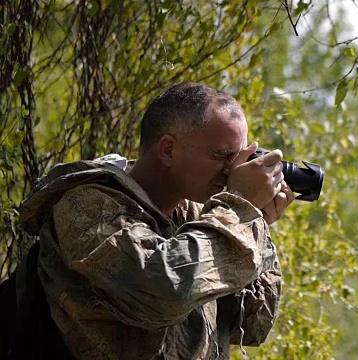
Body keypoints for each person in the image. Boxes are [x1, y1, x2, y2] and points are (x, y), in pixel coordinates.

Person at [16, 82, 294, 359]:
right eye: (223, 156)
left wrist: (255, 223)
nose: (234, 169)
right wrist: (239, 210)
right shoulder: (87, 205)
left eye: (240, 156)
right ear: (168, 150)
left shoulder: (200, 214)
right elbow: (164, 290)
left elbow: (253, 324)